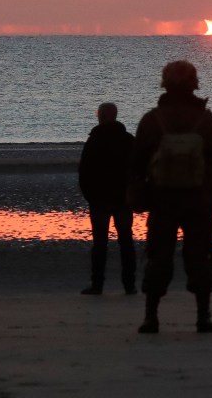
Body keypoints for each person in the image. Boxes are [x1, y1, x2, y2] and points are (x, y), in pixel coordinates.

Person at [130, 60, 212, 334]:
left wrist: (141, 197)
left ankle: (151, 316)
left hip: (163, 201)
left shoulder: (152, 120)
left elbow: (137, 164)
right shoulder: (206, 120)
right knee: (200, 256)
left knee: (157, 256)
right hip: (199, 201)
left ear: (165, 83)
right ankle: (203, 315)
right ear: (194, 84)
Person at [78, 102, 137, 295]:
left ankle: (98, 285)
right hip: (121, 198)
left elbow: (84, 171)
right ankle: (129, 285)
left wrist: (89, 195)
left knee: (101, 243)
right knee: (126, 241)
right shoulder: (128, 139)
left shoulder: (95, 140)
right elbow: (138, 168)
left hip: (101, 198)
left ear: (101, 116)